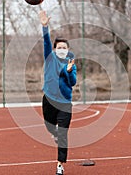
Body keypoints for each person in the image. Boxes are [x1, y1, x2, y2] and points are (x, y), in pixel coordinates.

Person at [39, 10, 77, 175]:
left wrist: (68, 71)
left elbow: (73, 82)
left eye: (64, 47)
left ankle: (60, 165)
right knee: (49, 126)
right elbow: (46, 42)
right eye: (59, 47)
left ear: (68, 50)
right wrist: (45, 26)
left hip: (65, 103)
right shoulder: (50, 58)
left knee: (63, 133)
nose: (62, 49)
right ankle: (53, 133)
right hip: (49, 99)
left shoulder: (71, 63)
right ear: (54, 49)